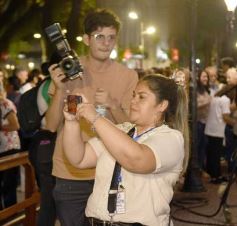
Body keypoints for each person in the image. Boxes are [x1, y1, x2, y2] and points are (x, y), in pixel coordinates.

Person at [46, 8, 138, 226]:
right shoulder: (68, 69)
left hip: (110, 171)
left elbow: (132, 127)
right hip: (70, 174)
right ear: (87, 39)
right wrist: (60, 89)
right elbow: (50, 126)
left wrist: (112, 104)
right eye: (99, 37)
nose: (106, 43)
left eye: (111, 37)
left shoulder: (128, 76)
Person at [62, 74, 189, 226]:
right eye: (134, 95)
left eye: (141, 97)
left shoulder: (171, 138)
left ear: (162, 105)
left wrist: (95, 117)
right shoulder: (121, 131)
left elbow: (136, 160)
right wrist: (71, 122)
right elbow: (79, 158)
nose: (133, 101)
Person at [0, 75, 21, 209]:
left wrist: (1, 127)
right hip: (3, 148)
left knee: (8, 185)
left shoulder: (5, 103)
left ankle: (11, 214)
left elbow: (15, 125)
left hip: (10, 148)